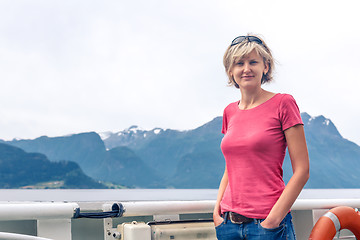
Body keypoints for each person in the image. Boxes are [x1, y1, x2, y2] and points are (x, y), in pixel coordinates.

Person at [213, 34, 310, 240]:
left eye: (253, 62)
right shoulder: (229, 112)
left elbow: (302, 171)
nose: (246, 68)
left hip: (267, 225)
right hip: (228, 224)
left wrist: (273, 220)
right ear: (231, 71)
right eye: (239, 63)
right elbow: (229, 168)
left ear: (265, 67)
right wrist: (217, 211)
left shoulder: (283, 103)